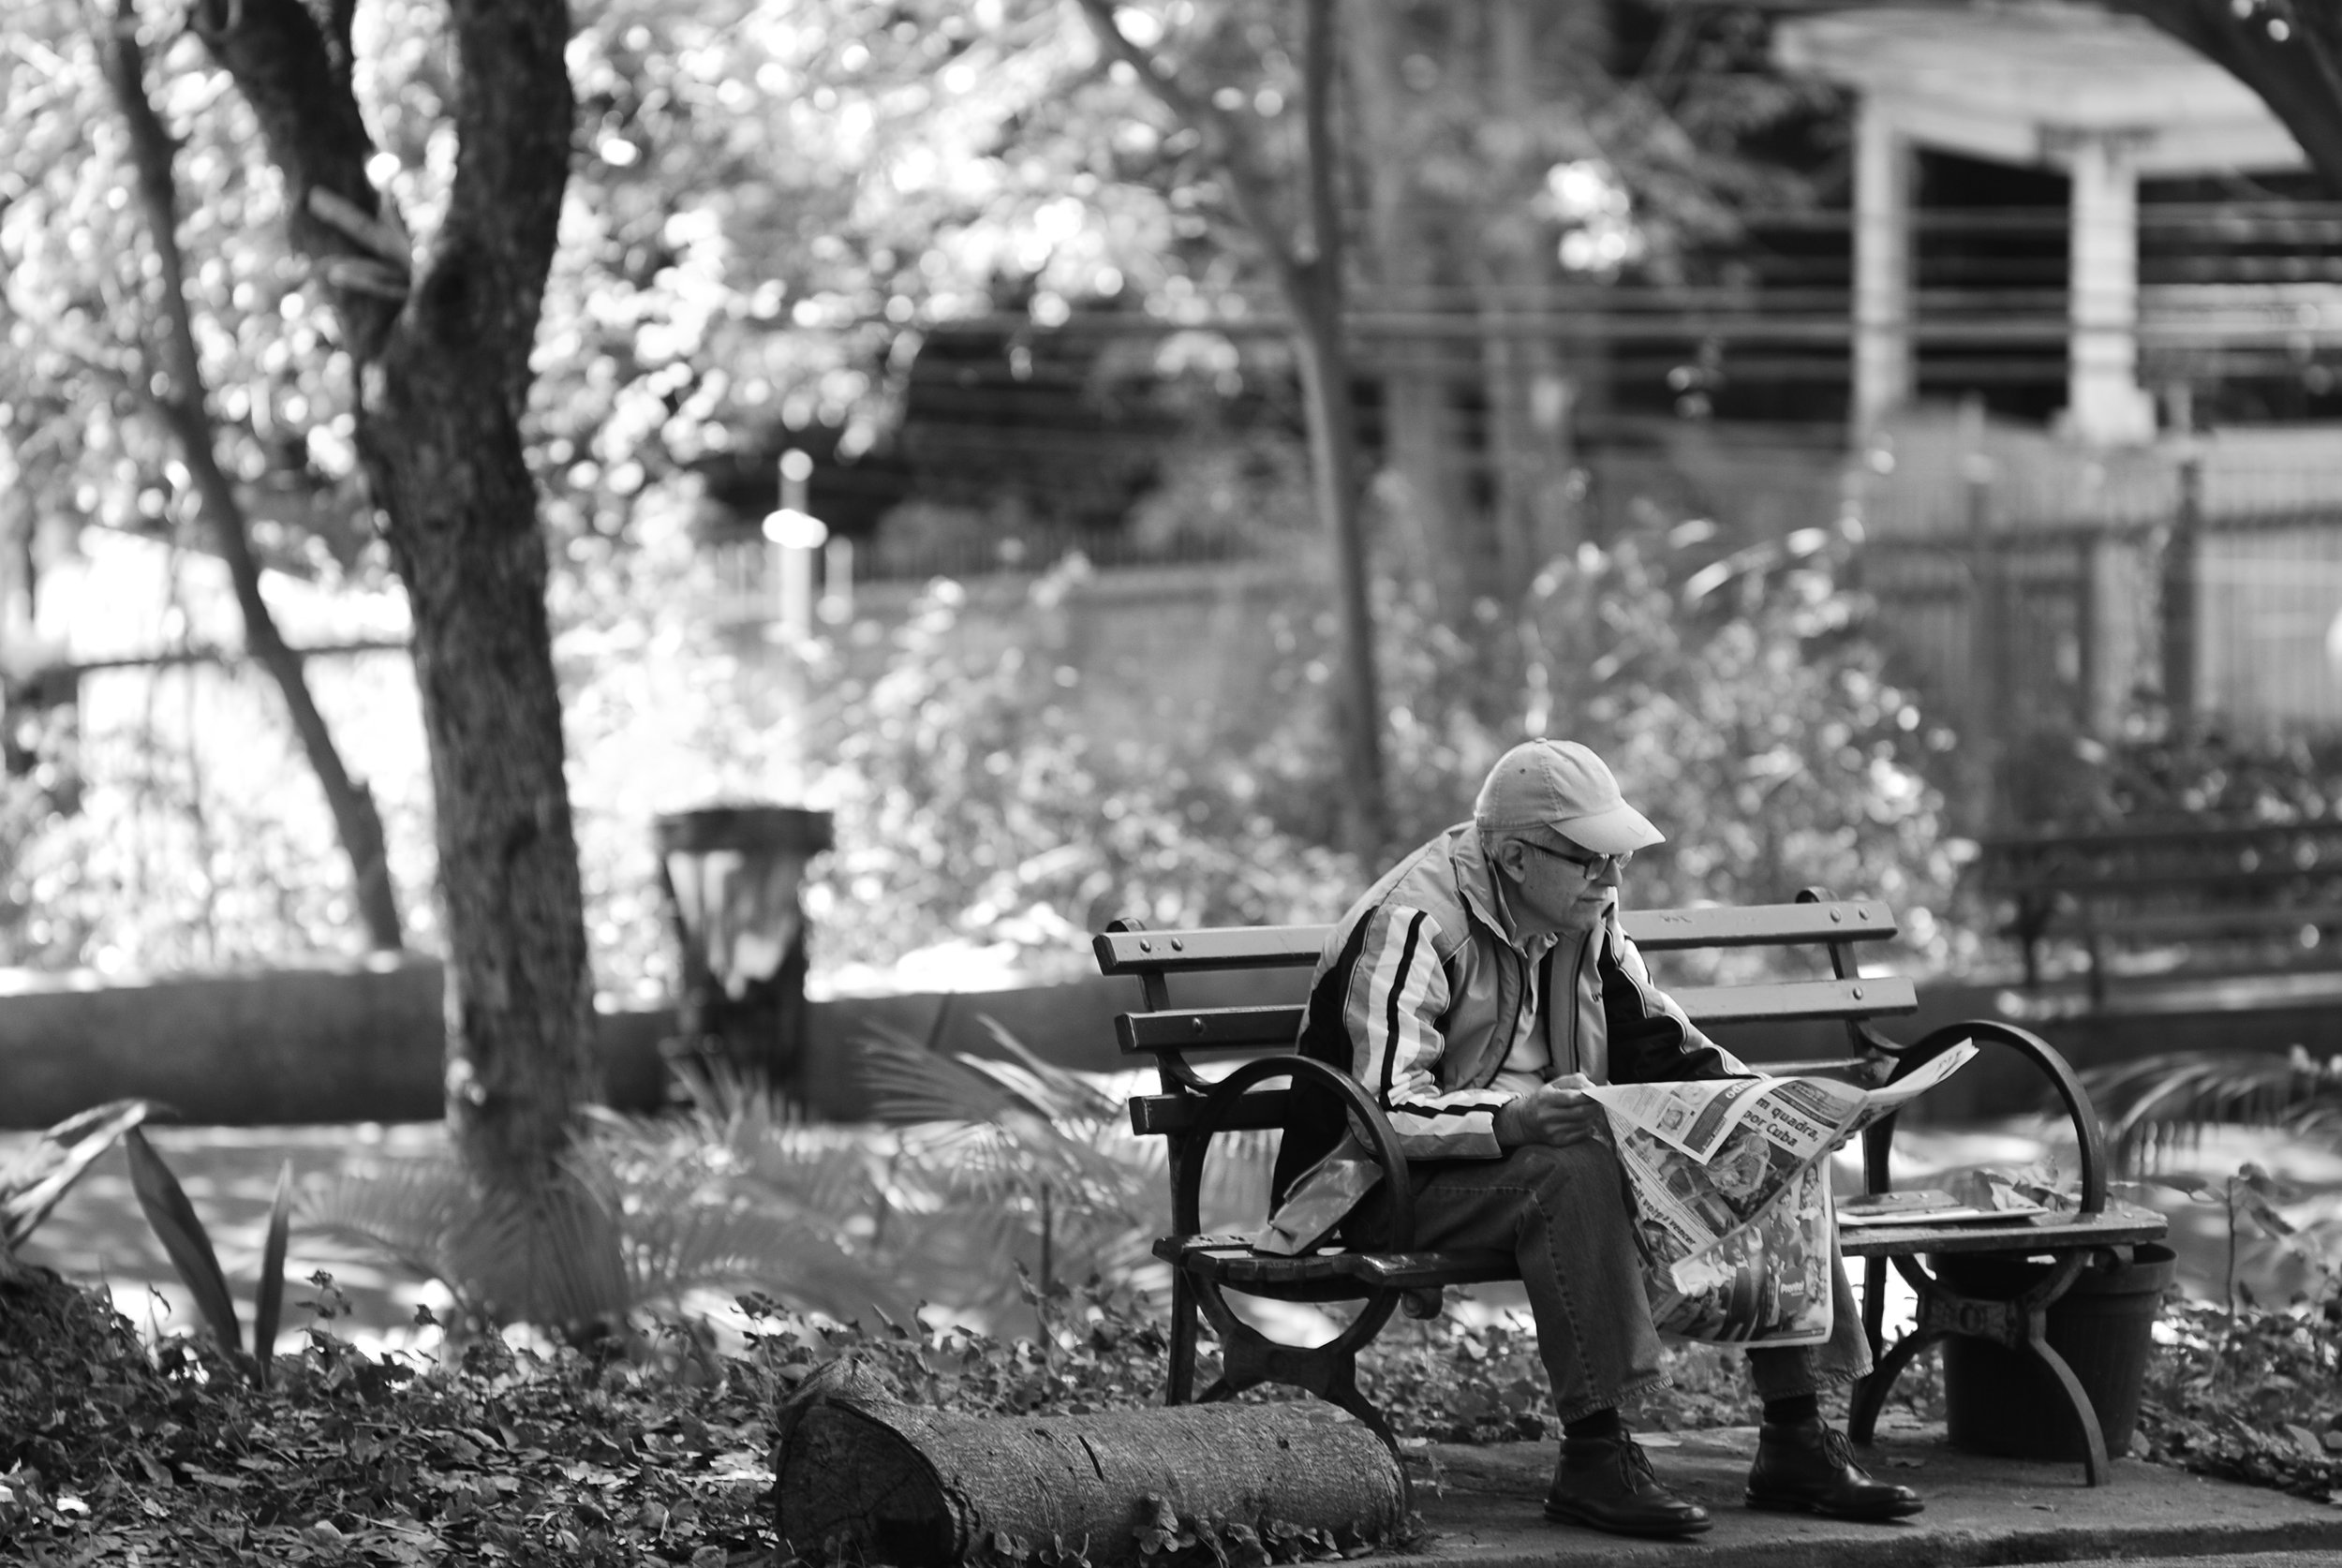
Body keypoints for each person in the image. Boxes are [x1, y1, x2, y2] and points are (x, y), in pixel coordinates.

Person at [1262, 738, 1921, 1539]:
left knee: (1764, 1142)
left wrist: (1781, 1106)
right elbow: (1377, 1111)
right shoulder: (1410, 923)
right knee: (1568, 1168)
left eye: (1615, 858)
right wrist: (1513, 1120)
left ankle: (1795, 1435)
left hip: (1539, 1160)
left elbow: (1663, 1042)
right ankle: (1596, 1457)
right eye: (1587, 859)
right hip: (1373, 1185)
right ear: (1511, 858)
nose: (1610, 879)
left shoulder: (1585, 916)